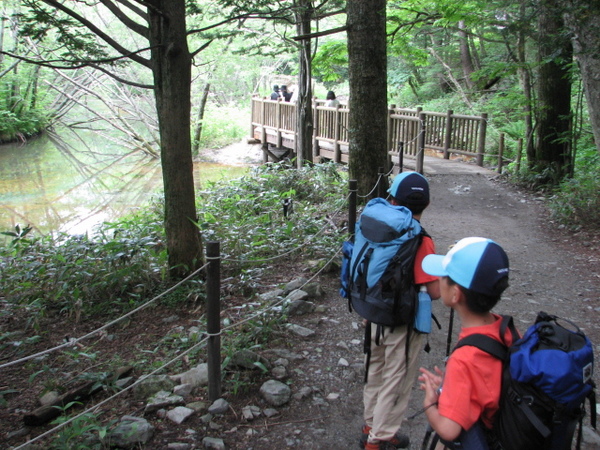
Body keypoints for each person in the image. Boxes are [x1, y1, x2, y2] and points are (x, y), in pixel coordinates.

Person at [361, 172, 441, 450]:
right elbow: (434, 292)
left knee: (375, 369)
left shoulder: (376, 226)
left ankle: (371, 424)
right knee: (397, 378)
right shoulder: (421, 240)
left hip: (373, 313)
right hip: (402, 324)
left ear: (391, 199)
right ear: (426, 204)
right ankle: (380, 439)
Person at [418, 237, 515, 449]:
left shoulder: (465, 359)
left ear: (455, 294)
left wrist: (429, 403)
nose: (438, 278)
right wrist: (455, 386)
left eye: (444, 275)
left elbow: (448, 429)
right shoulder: (504, 328)